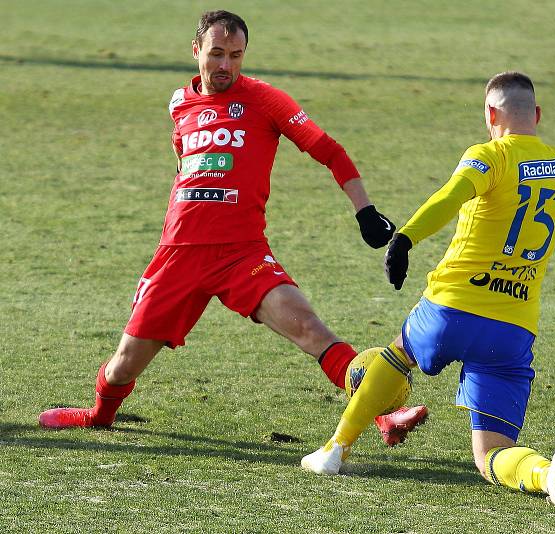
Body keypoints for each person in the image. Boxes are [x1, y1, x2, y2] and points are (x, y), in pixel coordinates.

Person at [39, 10, 428, 445]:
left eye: (236, 55)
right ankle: (99, 415)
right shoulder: (179, 104)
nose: (226, 65)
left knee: (310, 330)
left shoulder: (266, 100)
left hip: (242, 253)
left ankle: (383, 417)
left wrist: (365, 210)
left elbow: (328, 150)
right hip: (179, 254)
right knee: (123, 365)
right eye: (217, 54)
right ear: (196, 51)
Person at [301, 71, 555, 511]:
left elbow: (449, 196)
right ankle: (547, 475)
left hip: (452, 309)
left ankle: (336, 449)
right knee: (490, 456)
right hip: (511, 330)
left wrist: (405, 239)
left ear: (490, 114)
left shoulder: (489, 157)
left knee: (397, 354)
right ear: (536, 115)